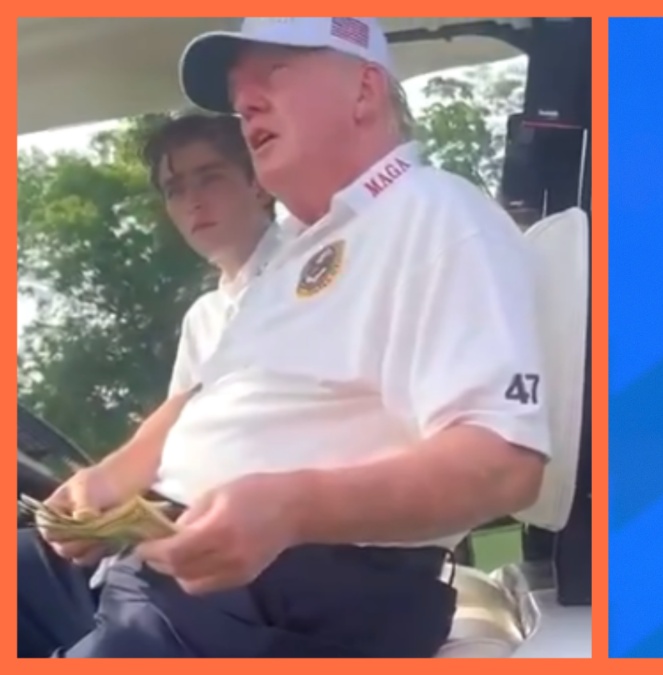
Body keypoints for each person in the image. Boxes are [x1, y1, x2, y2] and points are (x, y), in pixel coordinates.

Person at [25, 17, 550, 658]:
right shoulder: (294, 254)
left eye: (273, 75)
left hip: (292, 596)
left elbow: (504, 466)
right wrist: (107, 480)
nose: (244, 103)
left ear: (363, 92)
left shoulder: (438, 215)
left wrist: (290, 508)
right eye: (238, 89)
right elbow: (202, 395)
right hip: (182, 573)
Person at [18, 113, 282, 657]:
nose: (192, 201)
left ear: (258, 180)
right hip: (170, 545)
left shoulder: (298, 280)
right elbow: (173, 450)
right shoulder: (205, 315)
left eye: (209, 177)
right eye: (174, 188)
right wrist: (103, 516)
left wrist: (117, 487)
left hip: (250, 571)